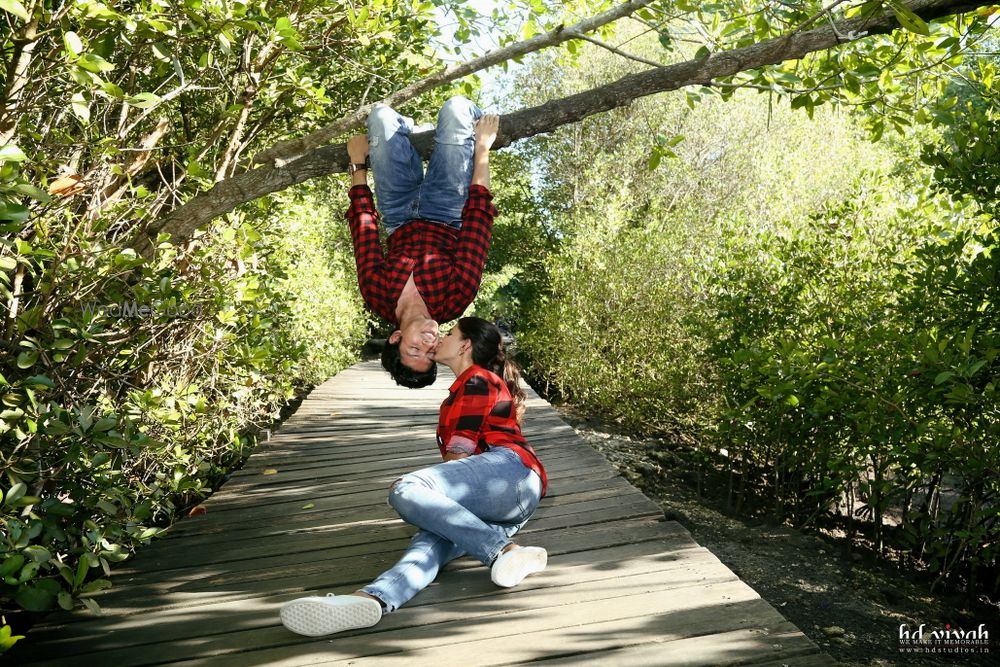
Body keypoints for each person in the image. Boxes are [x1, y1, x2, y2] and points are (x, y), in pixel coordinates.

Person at [279, 317, 549, 637]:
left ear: (464, 345)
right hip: (507, 500)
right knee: (430, 541)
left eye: (449, 334)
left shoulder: (477, 379)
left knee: (407, 488)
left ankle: (503, 551)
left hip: (511, 472)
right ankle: (372, 599)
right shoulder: (471, 384)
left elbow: (459, 453)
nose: (440, 339)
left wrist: (429, 495)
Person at [344, 96, 500, 389]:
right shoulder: (455, 299)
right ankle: (433, 138)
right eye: (432, 352)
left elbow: (363, 231)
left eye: (415, 349)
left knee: (381, 117)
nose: (429, 343)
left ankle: (407, 133)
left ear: (396, 338)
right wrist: (482, 148)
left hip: (398, 213)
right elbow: (478, 223)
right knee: (456, 109)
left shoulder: (376, 295)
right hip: (448, 208)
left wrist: (357, 164)